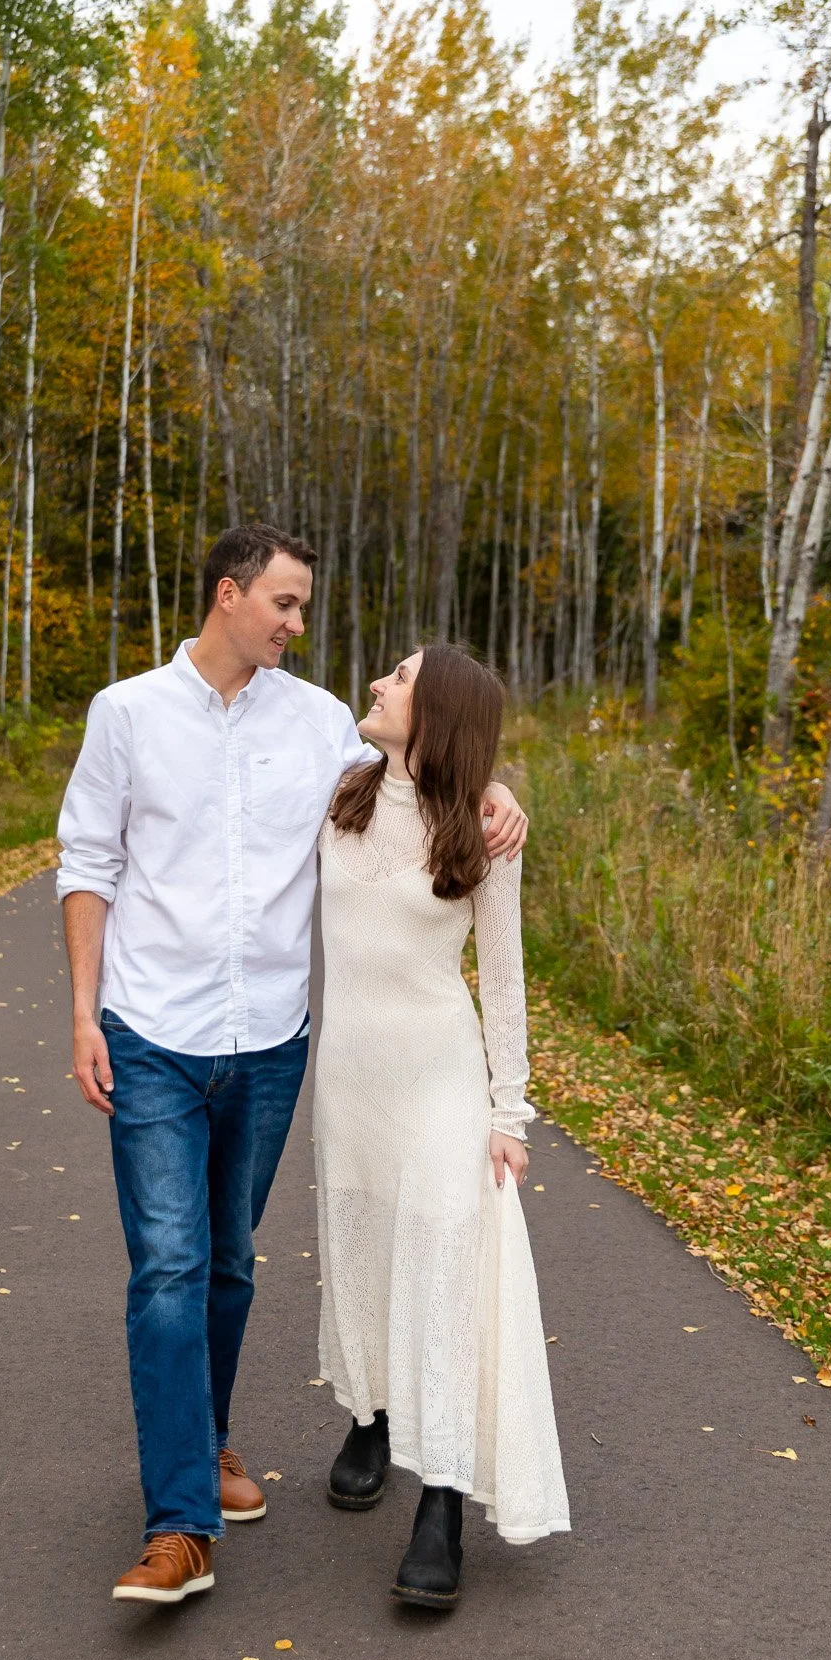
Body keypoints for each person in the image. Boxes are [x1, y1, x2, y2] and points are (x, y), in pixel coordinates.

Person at [55, 524, 529, 1605]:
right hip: (151, 1030)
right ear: (229, 596)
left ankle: (209, 1439)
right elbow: (87, 860)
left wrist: (501, 787)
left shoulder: (321, 726)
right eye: (285, 602)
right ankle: (178, 1523)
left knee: (227, 1261)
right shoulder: (126, 713)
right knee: (170, 1264)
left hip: (267, 1044)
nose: (300, 624)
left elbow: (429, 777)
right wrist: (83, 1012)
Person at [314, 643, 569, 1608]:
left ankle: (443, 1503)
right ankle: (371, 1413)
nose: (377, 683)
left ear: (439, 712)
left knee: (444, 1276)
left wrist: (510, 1111)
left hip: (437, 1085)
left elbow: (501, 978)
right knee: (365, 1248)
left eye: (399, 679)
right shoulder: (338, 793)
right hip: (347, 1082)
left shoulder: (481, 831)